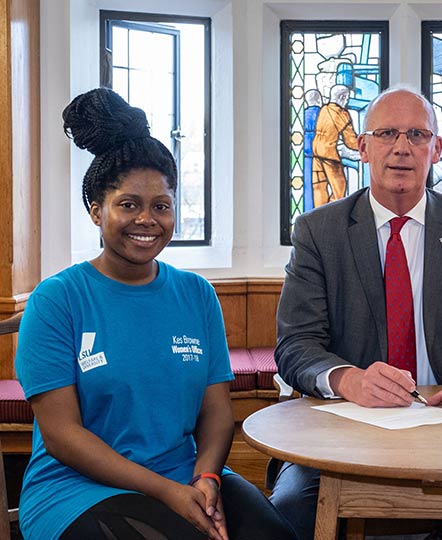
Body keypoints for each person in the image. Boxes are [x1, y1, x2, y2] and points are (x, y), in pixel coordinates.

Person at [14, 88, 296, 540]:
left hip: (186, 475)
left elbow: (217, 411)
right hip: (77, 490)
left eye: (161, 206)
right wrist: (165, 492)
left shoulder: (196, 294)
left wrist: (206, 477)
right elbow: (62, 435)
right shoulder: (58, 300)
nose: (147, 219)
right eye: (128, 204)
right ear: (95, 211)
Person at [271, 85, 442, 540]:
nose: (401, 148)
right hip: (341, 429)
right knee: (290, 510)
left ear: (437, 149)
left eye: (417, 135)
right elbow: (296, 346)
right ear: (362, 146)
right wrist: (349, 379)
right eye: (387, 133)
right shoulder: (317, 231)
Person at [312, 84, 360, 205]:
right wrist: (367, 147)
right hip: (329, 153)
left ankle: (318, 217)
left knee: (319, 186)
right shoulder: (341, 114)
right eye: (347, 97)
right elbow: (351, 141)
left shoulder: (324, 109)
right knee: (339, 187)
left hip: (316, 151)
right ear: (342, 97)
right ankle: (333, 219)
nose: (347, 100)